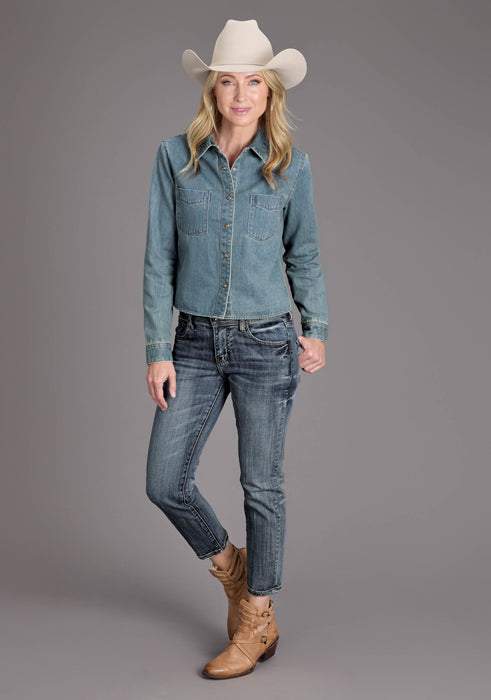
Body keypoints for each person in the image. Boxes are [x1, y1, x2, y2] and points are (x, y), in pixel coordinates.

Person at [143, 19, 328, 679]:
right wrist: (156, 348)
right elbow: (158, 260)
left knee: (261, 485)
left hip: (266, 343)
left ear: (269, 91)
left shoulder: (290, 166)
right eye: (229, 82)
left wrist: (316, 327)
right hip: (192, 342)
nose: (242, 95)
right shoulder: (175, 158)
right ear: (212, 91)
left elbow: (303, 254)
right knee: (164, 481)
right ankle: (233, 568)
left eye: (254, 82)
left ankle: (257, 614)